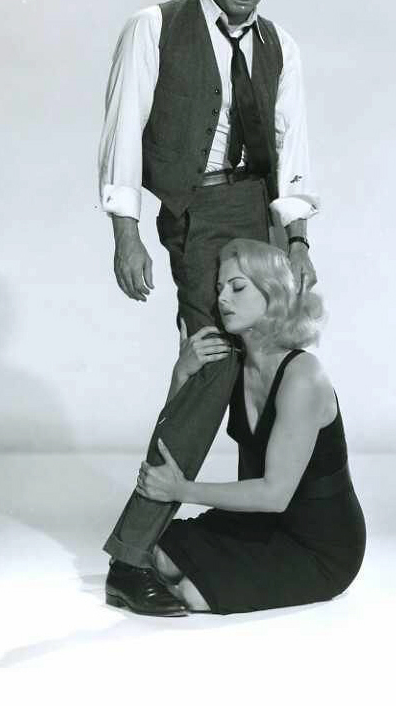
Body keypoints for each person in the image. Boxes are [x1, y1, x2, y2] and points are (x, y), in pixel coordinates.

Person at [98, 0, 320, 616]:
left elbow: (291, 144)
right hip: (198, 212)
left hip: (261, 211)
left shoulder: (280, 44)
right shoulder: (155, 26)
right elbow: (123, 129)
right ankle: (131, 556)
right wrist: (126, 231)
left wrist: (297, 239)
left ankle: (263, 521)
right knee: (213, 367)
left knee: (270, 368)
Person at [134, 239, 366, 615]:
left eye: (237, 287)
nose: (223, 298)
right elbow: (175, 431)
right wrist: (181, 374)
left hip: (321, 548)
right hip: (260, 524)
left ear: (273, 294)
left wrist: (182, 490)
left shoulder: (302, 376)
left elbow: (275, 494)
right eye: (220, 288)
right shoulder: (236, 365)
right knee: (160, 554)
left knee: (194, 593)